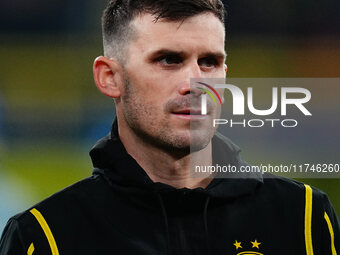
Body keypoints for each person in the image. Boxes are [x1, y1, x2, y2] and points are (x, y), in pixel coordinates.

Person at [0, 0, 339, 254]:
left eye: (209, 62)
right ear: (110, 77)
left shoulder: (303, 216)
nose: (196, 82)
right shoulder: (44, 237)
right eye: (169, 60)